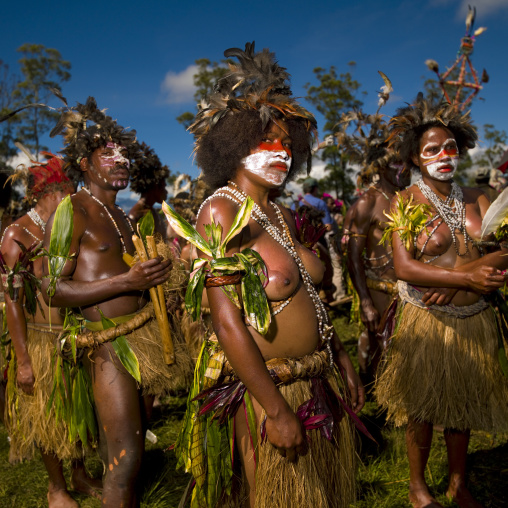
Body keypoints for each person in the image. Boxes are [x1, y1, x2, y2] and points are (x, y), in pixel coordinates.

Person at [173, 42, 364, 508]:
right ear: (234, 146)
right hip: (267, 392)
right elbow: (225, 321)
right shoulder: (220, 211)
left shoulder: (277, 213)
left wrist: (338, 357)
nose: (279, 153)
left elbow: (312, 300)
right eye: (265, 142)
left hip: (314, 378)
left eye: (286, 144)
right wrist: (276, 411)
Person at [41, 97, 192, 507]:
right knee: (123, 461)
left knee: (131, 452)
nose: (120, 160)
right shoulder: (72, 211)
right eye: (107, 154)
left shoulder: (125, 216)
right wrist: (127, 279)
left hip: (143, 341)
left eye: (124, 154)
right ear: (84, 164)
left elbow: (136, 280)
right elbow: (52, 288)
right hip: (109, 347)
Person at [376, 96, 508, 508]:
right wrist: (465, 275)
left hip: (474, 316)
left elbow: (502, 248)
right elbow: (403, 266)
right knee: (422, 405)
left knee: (460, 405)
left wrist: (461, 280)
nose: (444, 155)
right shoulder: (404, 202)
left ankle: (458, 482)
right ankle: (418, 487)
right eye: (432, 149)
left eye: (450, 147)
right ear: (415, 157)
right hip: (428, 320)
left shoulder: (478, 196)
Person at [1, 153, 101, 507]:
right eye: (64, 191)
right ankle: (56, 488)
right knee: (46, 417)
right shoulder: (17, 235)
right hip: (40, 341)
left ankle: (80, 472)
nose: (68, 199)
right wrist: (24, 360)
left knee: (76, 412)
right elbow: (14, 302)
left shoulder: (67, 224)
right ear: (44, 192)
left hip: (73, 336)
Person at [346, 147, 411, 386]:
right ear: (383, 167)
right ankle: (386, 395)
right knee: (386, 344)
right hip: (380, 288)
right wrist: (365, 301)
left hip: (410, 286)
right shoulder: (367, 203)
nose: (406, 169)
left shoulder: (409, 197)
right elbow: (352, 257)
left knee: (409, 344)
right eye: (398, 164)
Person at [128, 141, 170, 239]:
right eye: (163, 187)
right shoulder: (135, 216)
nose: (166, 192)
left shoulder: (154, 212)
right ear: (154, 187)